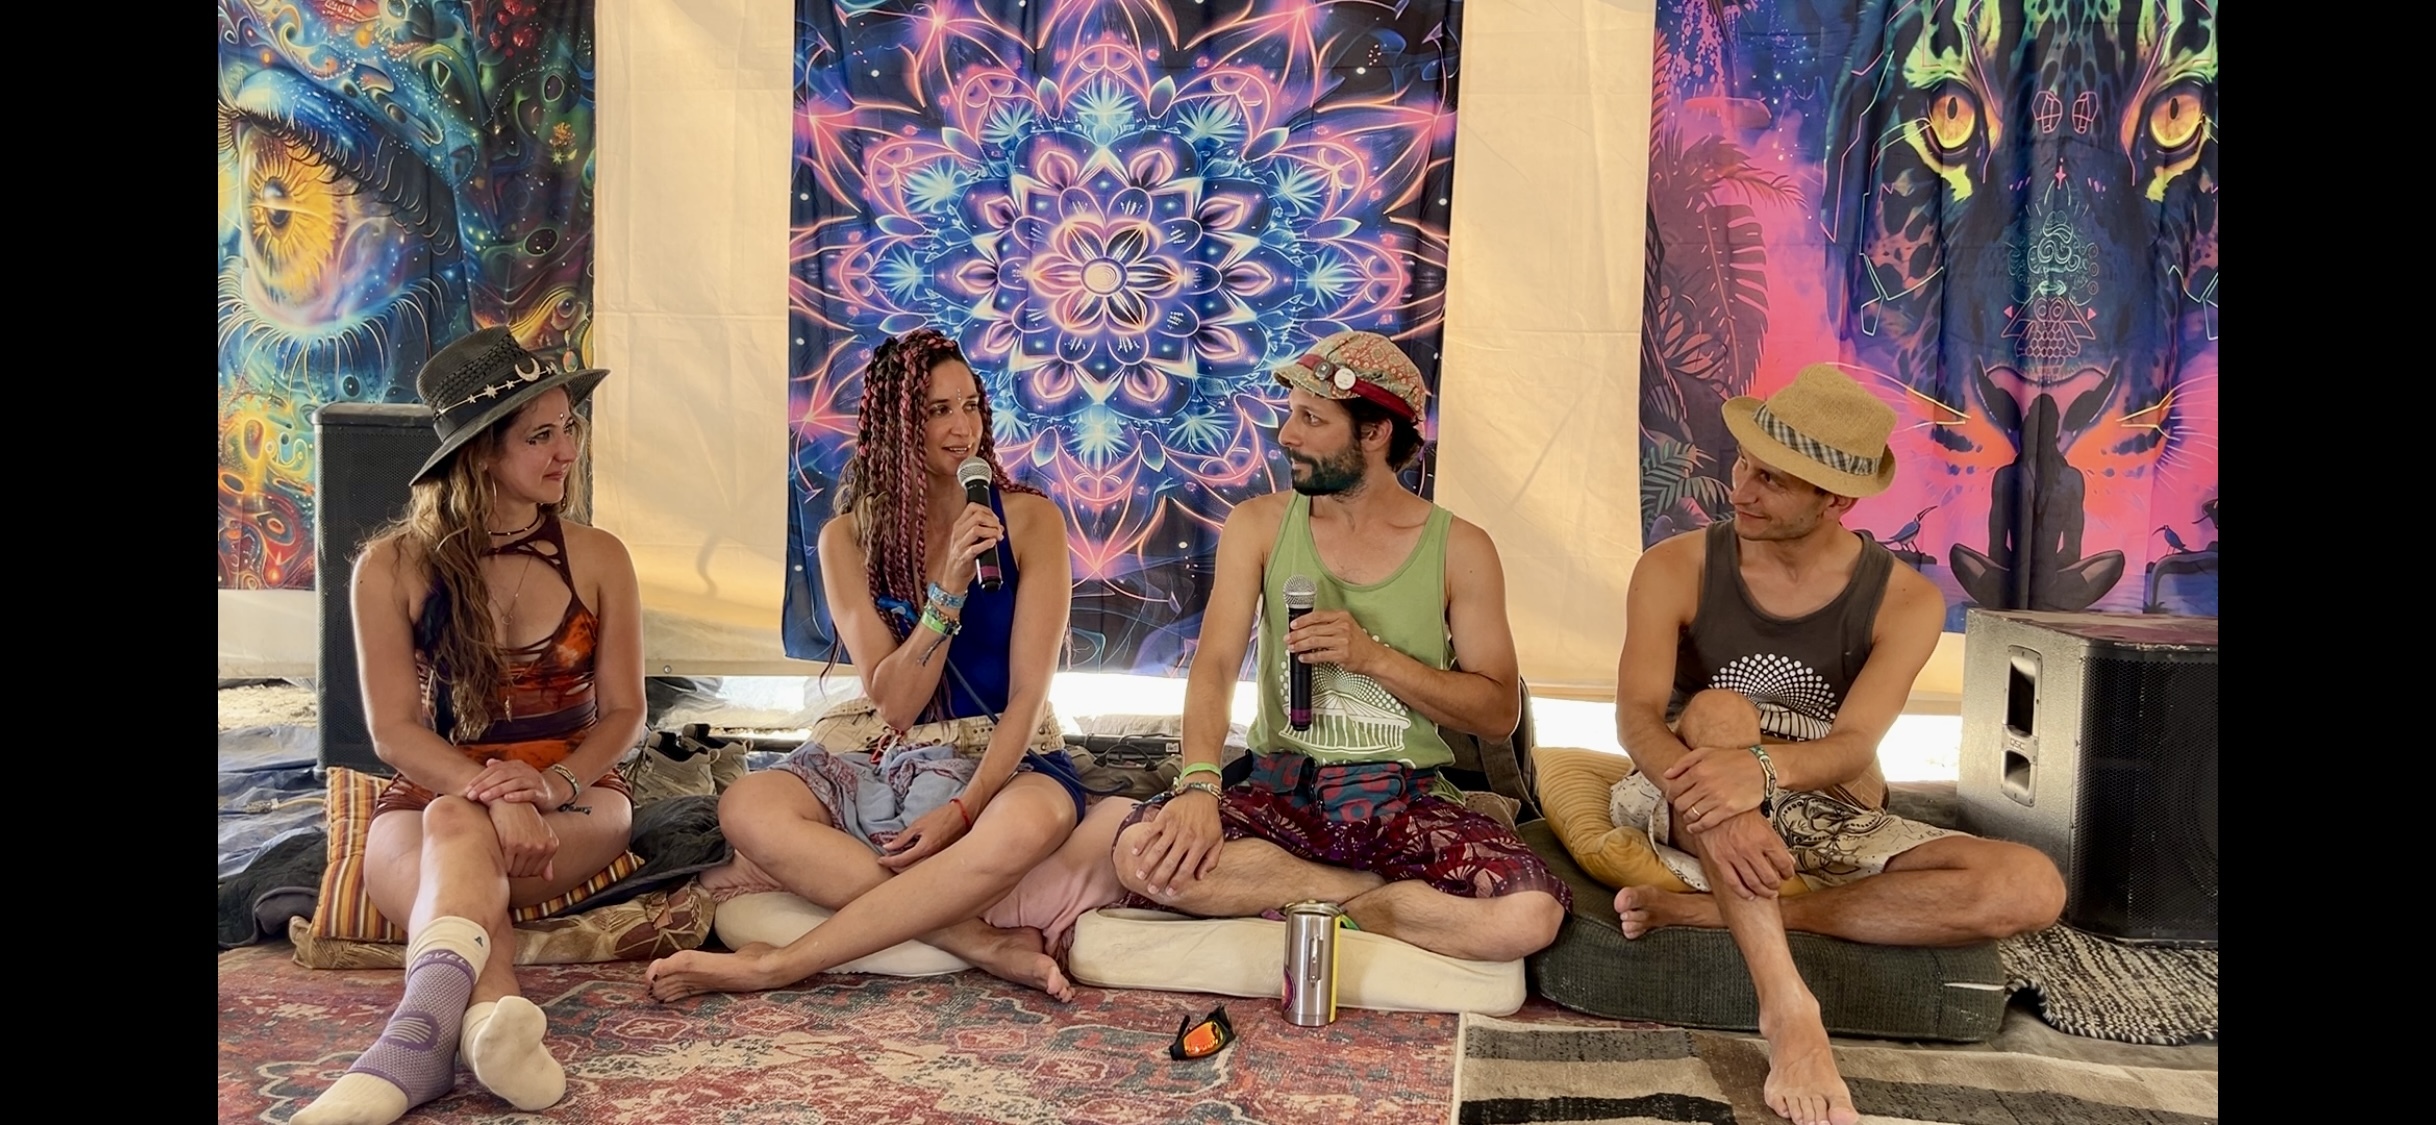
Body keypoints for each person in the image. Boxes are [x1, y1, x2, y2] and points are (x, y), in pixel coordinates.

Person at [1610, 363, 2067, 1125]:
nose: (1742, 489)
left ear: (1839, 499)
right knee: (1721, 711)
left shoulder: (1907, 600)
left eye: (1774, 481)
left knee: (2031, 884)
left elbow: (1855, 744)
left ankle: (1718, 911)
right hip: (1680, 788)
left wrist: (1761, 774)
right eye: (1745, 465)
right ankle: (1789, 1009)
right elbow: (1636, 717)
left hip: (1822, 802)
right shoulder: (1674, 566)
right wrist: (1727, 790)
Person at [647, 328, 1088, 1000]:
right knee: (747, 805)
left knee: (1038, 820)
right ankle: (976, 940)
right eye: (938, 410)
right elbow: (898, 703)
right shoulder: (847, 538)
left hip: (1003, 748)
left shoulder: (1030, 521)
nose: (962, 427)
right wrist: (945, 592)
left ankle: (780, 963)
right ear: (897, 422)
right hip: (895, 743)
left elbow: (1029, 695)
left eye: (970, 406)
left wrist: (965, 810)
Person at [1112, 331, 1568, 961]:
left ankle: (1300, 895)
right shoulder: (1259, 525)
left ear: (1375, 432)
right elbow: (1215, 665)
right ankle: (1367, 897)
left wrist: (1373, 657)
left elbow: (1497, 714)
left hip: (1401, 800)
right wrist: (1198, 784)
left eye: (1311, 418)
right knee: (1140, 855)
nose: (1286, 435)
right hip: (1279, 790)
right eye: (1290, 415)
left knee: (1530, 916)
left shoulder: (1462, 549)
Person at [296, 328, 644, 1125]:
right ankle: (489, 1020)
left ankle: (408, 1046)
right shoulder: (389, 565)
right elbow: (393, 730)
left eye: (571, 427)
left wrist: (549, 784)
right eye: (542, 435)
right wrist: (491, 793)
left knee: (458, 822)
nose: (568, 451)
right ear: (483, 452)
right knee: (454, 818)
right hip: (430, 795)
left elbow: (626, 712)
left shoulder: (599, 556)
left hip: (578, 797)